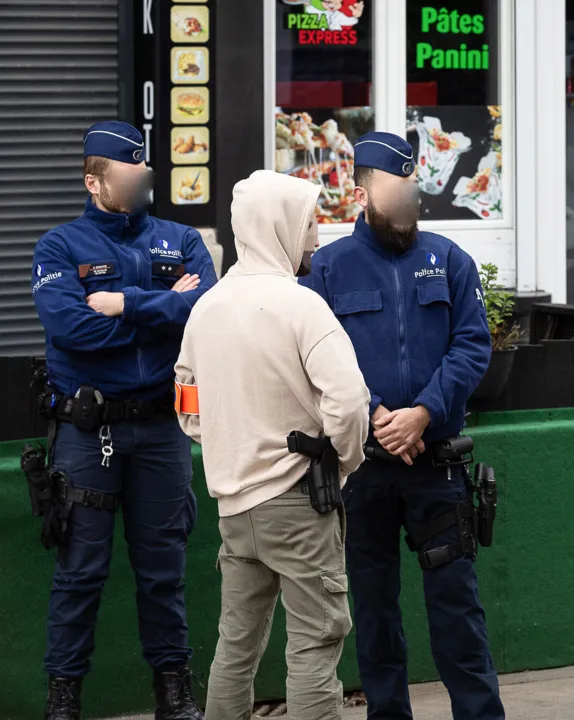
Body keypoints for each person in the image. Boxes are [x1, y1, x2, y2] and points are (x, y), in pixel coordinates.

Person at [301, 131, 505, 720]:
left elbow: (471, 346)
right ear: (364, 194)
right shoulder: (329, 269)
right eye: (396, 193)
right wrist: (372, 417)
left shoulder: (449, 261)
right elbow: (313, 359)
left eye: (412, 193)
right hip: (362, 469)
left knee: (457, 608)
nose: (408, 206)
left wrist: (422, 413)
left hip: (436, 465)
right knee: (375, 611)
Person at [31, 121, 217, 720]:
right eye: (129, 174)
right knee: (80, 572)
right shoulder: (59, 247)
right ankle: (64, 699)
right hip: (90, 433)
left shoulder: (182, 240)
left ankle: (174, 692)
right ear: (94, 181)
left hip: (162, 429)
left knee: (163, 570)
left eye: (145, 173)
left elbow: (204, 314)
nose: (142, 181)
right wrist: (166, 311)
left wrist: (126, 303)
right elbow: (71, 329)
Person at [174, 170, 370, 720]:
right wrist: (345, 460)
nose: (315, 237)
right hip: (301, 501)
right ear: (281, 226)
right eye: (309, 222)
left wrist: (231, 442)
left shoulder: (205, 308)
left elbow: (187, 407)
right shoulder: (301, 305)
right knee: (314, 642)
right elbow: (350, 401)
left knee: (235, 647)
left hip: (234, 508)